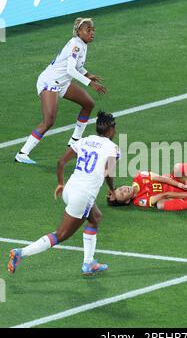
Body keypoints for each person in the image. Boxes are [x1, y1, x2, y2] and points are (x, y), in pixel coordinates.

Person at [8, 111, 120, 276]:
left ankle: (89, 263)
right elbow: (108, 173)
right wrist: (112, 189)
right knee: (60, 235)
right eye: (115, 128)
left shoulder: (84, 140)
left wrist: (61, 183)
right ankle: (21, 253)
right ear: (110, 130)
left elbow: (61, 162)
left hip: (70, 189)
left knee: (95, 218)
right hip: (83, 196)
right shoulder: (113, 148)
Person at [15, 17, 106, 165]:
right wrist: (90, 83)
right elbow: (70, 70)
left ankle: (74, 140)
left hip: (62, 82)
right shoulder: (75, 45)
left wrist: (89, 74)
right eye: (88, 30)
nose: (92, 33)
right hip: (50, 81)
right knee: (49, 121)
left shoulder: (82, 44)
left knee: (88, 103)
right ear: (79, 32)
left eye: (93, 30)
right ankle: (22, 153)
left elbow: (77, 66)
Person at [107, 163, 187, 211]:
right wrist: (186, 194)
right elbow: (165, 195)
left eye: (121, 188)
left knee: (177, 168)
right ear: (127, 201)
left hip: (179, 183)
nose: (124, 190)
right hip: (182, 195)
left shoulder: (139, 176)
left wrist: (181, 185)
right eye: (122, 194)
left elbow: (162, 179)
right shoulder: (139, 201)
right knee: (160, 204)